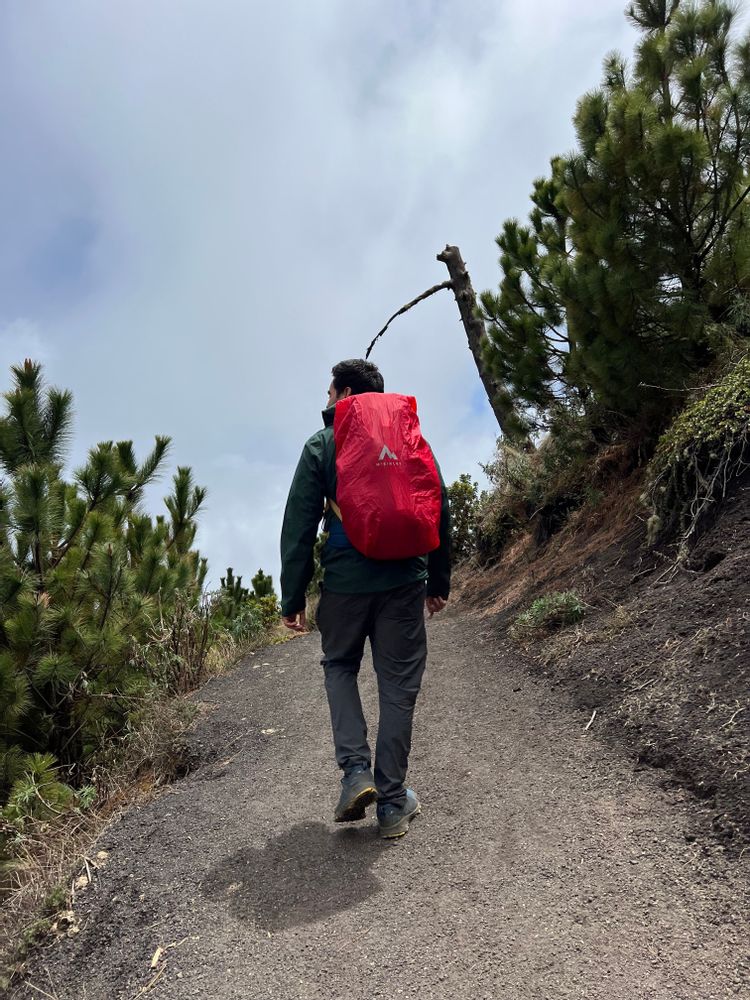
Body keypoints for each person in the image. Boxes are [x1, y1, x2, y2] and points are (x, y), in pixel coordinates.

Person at [280, 358, 451, 839]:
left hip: (345, 585)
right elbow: (439, 504)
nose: (326, 400)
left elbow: (298, 525)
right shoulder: (408, 435)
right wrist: (439, 581)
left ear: (344, 393)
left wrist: (292, 595)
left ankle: (355, 773)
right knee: (398, 687)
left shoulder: (322, 444)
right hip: (404, 583)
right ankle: (393, 803)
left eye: (330, 393)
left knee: (339, 666)